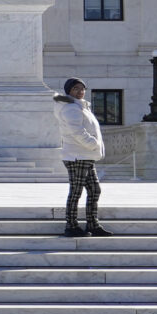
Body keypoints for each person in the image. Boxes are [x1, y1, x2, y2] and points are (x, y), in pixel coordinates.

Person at [53, 78, 110, 238]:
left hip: (84, 155)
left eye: (82, 88)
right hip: (77, 155)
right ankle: (71, 226)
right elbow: (77, 131)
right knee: (76, 191)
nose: (80, 91)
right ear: (69, 91)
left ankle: (93, 224)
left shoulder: (80, 106)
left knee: (94, 190)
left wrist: (93, 147)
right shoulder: (71, 108)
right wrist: (93, 144)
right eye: (76, 88)